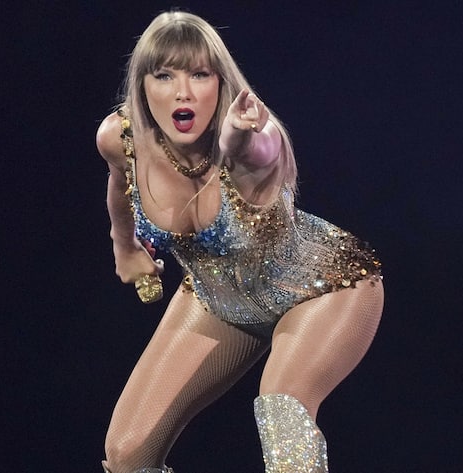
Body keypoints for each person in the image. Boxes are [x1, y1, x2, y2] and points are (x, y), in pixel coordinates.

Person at [95, 10, 384, 473]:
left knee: (282, 407)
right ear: (144, 85)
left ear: (219, 82)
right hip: (219, 296)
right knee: (127, 454)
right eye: (164, 75)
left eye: (199, 74)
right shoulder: (121, 138)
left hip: (322, 287)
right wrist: (124, 246)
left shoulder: (252, 134)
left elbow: (258, 152)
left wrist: (237, 140)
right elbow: (119, 186)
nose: (183, 92)